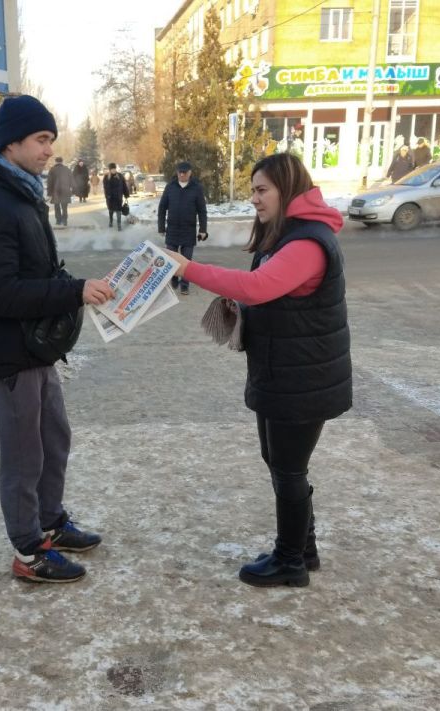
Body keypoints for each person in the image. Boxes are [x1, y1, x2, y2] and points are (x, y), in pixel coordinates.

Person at [164, 153, 352, 588]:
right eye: (252, 190)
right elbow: (271, 295)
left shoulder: (308, 242)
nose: (254, 199)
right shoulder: (285, 236)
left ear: (287, 189)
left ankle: (290, 561)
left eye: (262, 190)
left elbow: (258, 287)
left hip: (302, 378)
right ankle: (303, 548)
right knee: (280, 462)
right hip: (281, 369)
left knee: (288, 468)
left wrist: (187, 268)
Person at [0, 94, 115, 583]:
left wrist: (79, 286)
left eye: (51, 140)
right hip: (7, 352)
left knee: (54, 438)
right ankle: (28, 550)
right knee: (24, 455)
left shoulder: (18, 193)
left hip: (34, 346)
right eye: (41, 140)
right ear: (11, 143)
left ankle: (50, 521)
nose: (48, 150)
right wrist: (73, 291)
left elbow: (35, 271)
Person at [158, 161, 207, 296]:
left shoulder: (196, 188)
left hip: (188, 230)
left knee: (186, 261)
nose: (182, 175)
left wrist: (203, 229)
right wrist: (161, 227)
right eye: (180, 172)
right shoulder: (170, 187)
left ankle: (185, 285)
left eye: (184, 173)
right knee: (171, 259)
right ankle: (174, 278)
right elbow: (162, 208)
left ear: (190, 173)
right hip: (172, 229)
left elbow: (202, 210)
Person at [46, 156, 72, 227]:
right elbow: (71, 179)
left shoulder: (52, 170)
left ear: (56, 162)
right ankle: (65, 221)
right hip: (65, 190)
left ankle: (58, 221)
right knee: (64, 207)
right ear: (62, 162)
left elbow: (49, 182)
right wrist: (72, 189)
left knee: (57, 206)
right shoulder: (66, 169)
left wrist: (49, 192)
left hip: (55, 191)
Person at [102, 163, 129, 230]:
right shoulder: (106, 177)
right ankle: (111, 221)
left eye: (114, 169)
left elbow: (124, 186)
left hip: (118, 197)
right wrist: (107, 196)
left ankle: (119, 225)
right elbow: (105, 188)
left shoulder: (120, 176)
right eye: (112, 169)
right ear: (110, 170)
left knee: (119, 211)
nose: (113, 170)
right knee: (111, 211)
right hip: (110, 198)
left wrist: (126, 194)